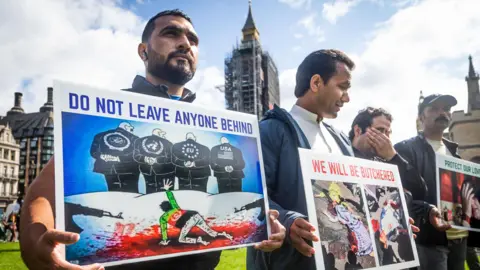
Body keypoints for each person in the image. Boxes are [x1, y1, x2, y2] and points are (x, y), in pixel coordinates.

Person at [20, 9, 285, 270]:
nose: (185, 43)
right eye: (171, 33)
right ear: (143, 51)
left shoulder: (215, 128)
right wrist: (39, 247)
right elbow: (42, 194)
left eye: (193, 40)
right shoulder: (101, 111)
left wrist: (261, 225)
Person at [247, 49, 356, 270]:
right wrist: (288, 220)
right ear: (316, 82)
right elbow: (251, 197)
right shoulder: (270, 130)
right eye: (342, 87)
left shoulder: (342, 140)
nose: (347, 98)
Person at [394, 94, 466, 270]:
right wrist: (427, 211)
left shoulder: (454, 152)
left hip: (459, 237)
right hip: (428, 239)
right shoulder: (405, 149)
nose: (442, 113)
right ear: (421, 117)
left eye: (446, 109)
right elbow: (400, 196)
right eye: (434, 109)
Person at [158, 179, 233, 246]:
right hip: (195, 215)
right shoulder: (175, 207)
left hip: (187, 222)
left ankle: (198, 240)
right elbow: (171, 198)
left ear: (163, 210)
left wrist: (165, 239)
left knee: (181, 239)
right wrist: (167, 190)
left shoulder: (163, 218)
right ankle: (222, 234)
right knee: (210, 232)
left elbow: (163, 229)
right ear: (170, 205)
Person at [90, 122, 139, 192]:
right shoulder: (134, 138)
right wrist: (118, 158)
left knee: (114, 192)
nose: (132, 131)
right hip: (129, 169)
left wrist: (102, 156)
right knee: (132, 192)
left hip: (108, 169)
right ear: (125, 127)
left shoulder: (99, 135)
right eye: (131, 129)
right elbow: (136, 154)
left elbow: (93, 151)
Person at [133, 128, 175, 194]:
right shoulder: (168, 143)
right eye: (163, 134)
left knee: (151, 193)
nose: (164, 136)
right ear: (159, 133)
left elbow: (136, 156)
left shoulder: (139, 141)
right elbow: (170, 158)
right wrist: (156, 160)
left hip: (147, 172)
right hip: (165, 173)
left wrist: (146, 159)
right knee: (167, 193)